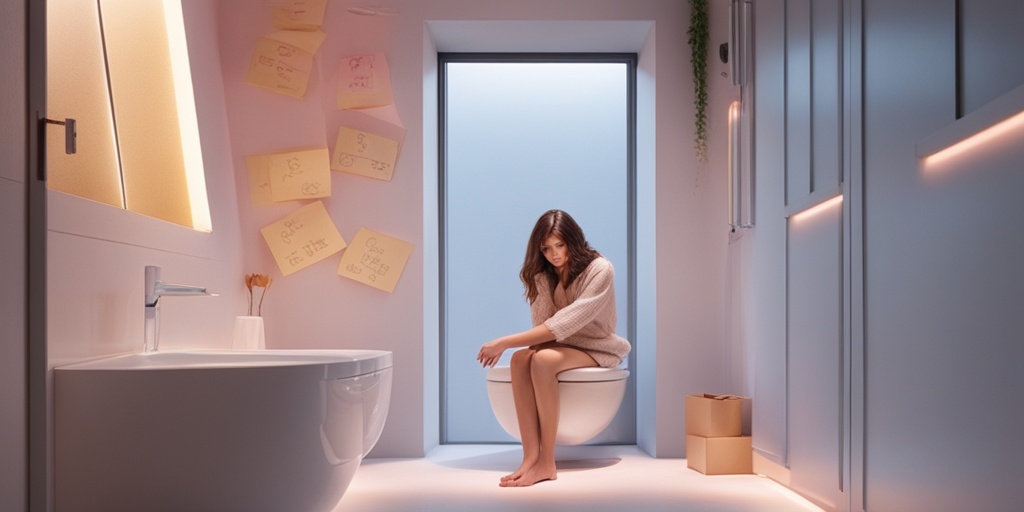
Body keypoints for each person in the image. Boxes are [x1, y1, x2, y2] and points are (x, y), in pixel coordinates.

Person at [477, 209, 631, 487]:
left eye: (560, 245)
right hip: (563, 344)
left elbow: (564, 323)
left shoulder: (600, 269)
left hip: (598, 347)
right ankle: (529, 458)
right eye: (546, 249)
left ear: (574, 240)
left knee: (543, 360)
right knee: (520, 360)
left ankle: (547, 462)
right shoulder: (544, 273)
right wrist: (541, 279)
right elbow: (543, 323)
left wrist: (504, 341)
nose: (554, 254)